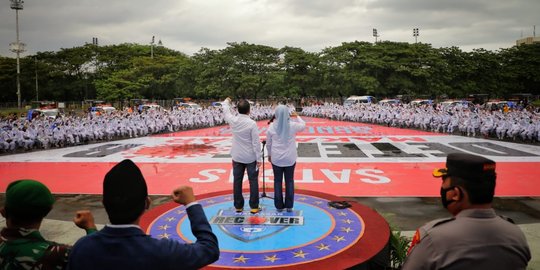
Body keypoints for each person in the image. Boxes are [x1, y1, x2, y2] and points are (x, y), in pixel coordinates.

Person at [67, 159, 219, 270]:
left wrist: (91, 231)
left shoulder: (81, 248)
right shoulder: (162, 251)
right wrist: (191, 204)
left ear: (104, 203)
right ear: (147, 203)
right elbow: (209, 250)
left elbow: (94, 250)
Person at [403, 153, 531, 270]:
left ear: (455, 194)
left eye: (443, 181)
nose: (442, 187)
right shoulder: (516, 235)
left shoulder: (433, 239)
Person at [0, 179, 96, 269]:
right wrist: (91, 228)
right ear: (48, 210)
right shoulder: (58, 254)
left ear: (3, 212)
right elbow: (97, 257)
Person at [222, 97, 262, 214]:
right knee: (253, 181)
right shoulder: (252, 123)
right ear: (249, 111)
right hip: (250, 157)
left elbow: (226, 111)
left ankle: (238, 206)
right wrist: (259, 158)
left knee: (237, 181)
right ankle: (254, 206)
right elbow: (256, 142)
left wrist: (226, 102)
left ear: (238, 110)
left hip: (237, 156)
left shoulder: (233, 120)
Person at [266, 105, 306, 212]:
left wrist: (269, 155)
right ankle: (289, 206)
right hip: (290, 158)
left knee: (277, 181)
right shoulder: (292, 125)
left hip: (276, 159)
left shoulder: (271, 127)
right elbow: (303, 125)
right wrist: (297, 116)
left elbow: (268, 144)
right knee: (289, 181)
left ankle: (279, 206)